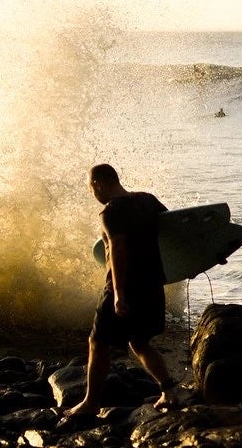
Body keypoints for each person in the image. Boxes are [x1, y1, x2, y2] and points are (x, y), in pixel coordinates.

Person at [66, 164, 179, 417]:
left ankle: (91, 403)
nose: (92, 194)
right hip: (152, 284)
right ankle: (169, 391)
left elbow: (117, 250)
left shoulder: (110, 212)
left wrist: (118, 294)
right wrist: (198, 260)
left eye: (90, 188)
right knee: (139, 341)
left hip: (125, 286)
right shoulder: (147, 200)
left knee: (97, 342)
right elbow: (173, 230)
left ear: (98, 184)